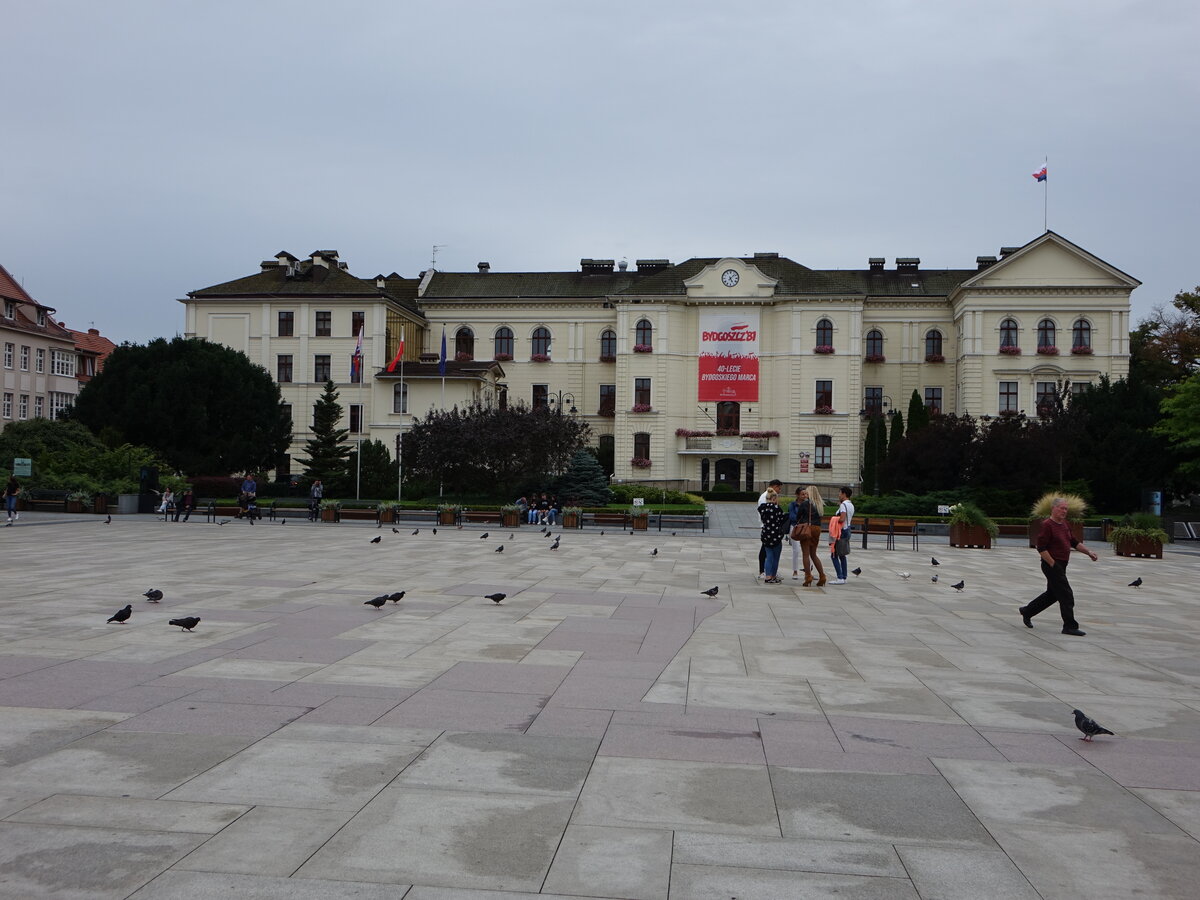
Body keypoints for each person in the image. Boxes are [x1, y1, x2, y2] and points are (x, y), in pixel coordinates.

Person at [1020, 496, 1098, 636]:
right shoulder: (1047, 525)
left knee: (1053, 594)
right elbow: (1041, 547)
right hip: (1052, 564)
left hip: (1062, 564)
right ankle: (1069, 626)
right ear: (1053, 508)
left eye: (1066, 509)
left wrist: (1089, 552)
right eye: (1061, 508)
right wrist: (1053, 564)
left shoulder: (1065, 524)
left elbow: (1074, 542)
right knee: (1066, 594)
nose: (1064, 511)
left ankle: (1027, 611)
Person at [789, 485, 827, 586]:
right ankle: (822, 576)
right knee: (813, 554)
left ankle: (808, 576)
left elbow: (798, 517)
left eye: (807, 492)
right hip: (817, 529)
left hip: (807, 529)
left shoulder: (806, 504)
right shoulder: (819, 504)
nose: (805, 494)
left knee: (805, 554)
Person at [758, 489, 787, 583]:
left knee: (768, 556)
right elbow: (782, 520)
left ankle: (767, 576)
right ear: (774, 498)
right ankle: (773, 576)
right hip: (776, 534)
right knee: (775, 557)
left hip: (766, 533)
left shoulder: (762, 508)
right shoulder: (777, 509)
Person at [829, 486, 855, 584]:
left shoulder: (843, 505)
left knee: (834, 554)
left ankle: (839, 577)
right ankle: (844, 576)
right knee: (842, 555)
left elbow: (842, 518)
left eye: (840, 493)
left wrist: (834, 519)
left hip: (841, 531)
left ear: (844, 494)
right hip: (847, 529)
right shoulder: (851, 504)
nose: (838, 495)